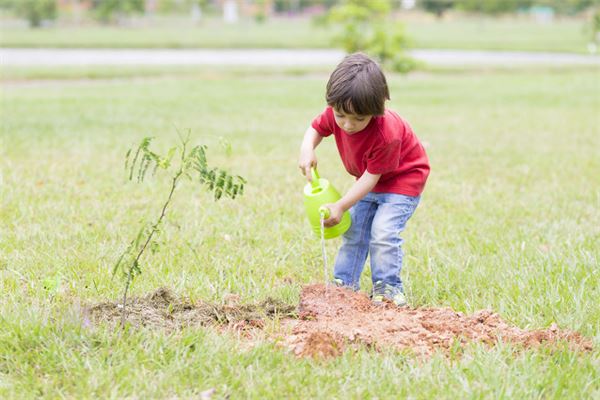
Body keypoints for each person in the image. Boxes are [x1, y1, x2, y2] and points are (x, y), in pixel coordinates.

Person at [298, 53, 430, 307]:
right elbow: (315, 129)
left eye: (359, 119)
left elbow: (371, 178)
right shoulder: (337, 112)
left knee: (382, 232)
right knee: (355, 231)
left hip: (401, 182)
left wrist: (341, 206)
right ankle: (344, 285)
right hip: (369, 178)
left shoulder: (386, 133)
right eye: (341, 116)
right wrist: (307, 148)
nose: (347, 125)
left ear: (376, 110)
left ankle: (388, 287)